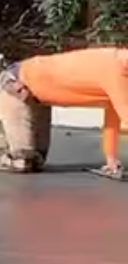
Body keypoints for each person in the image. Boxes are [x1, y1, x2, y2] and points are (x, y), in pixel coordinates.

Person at [12, 45, 128, 180]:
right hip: (17, 84)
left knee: (38, 160)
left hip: (40, 98)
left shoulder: (121, 69)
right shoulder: (113, 70)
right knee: (24, 161)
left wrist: (111, 159)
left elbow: (113, 119)